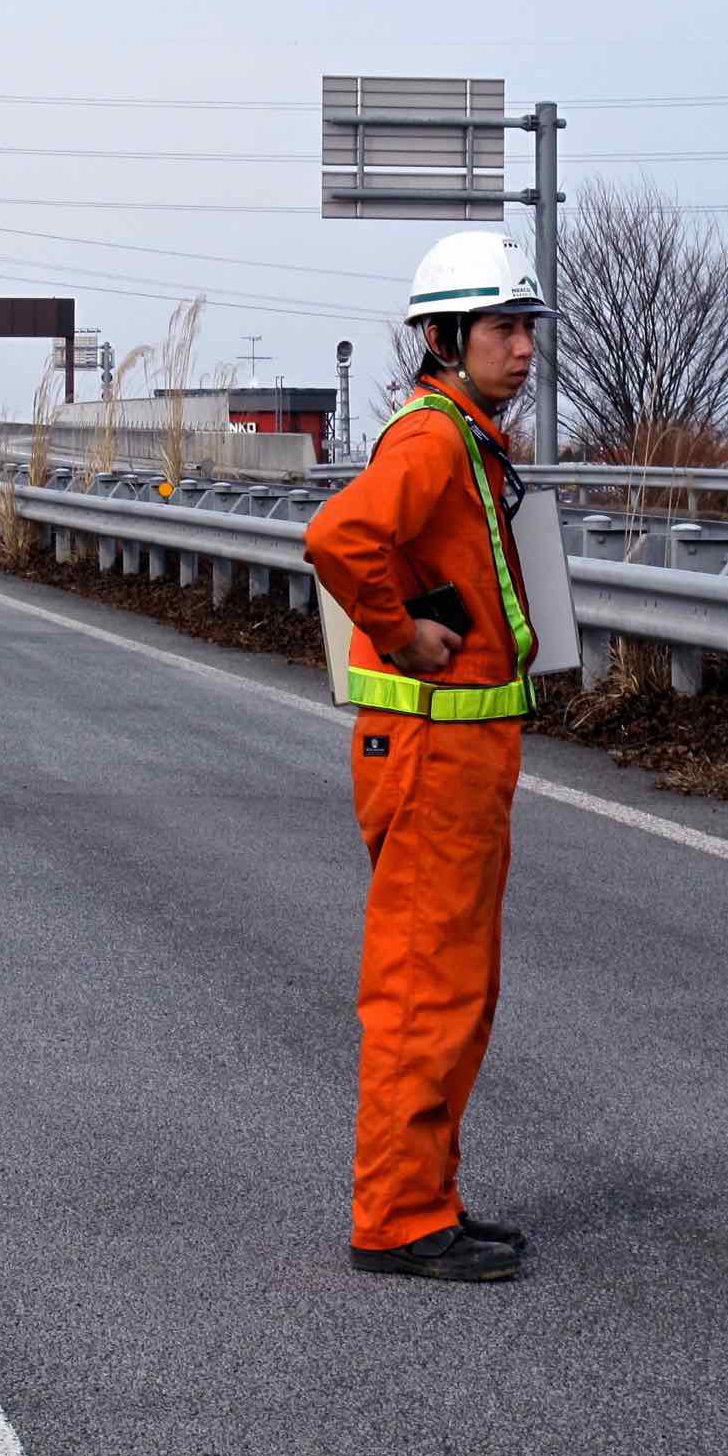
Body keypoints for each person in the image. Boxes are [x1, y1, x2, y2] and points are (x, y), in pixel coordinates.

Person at [302, 231, 552, 1283]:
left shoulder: (466, 436)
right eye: (503, 328)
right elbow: (336, 537)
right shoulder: (433, 440)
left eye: (528, 328)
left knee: (456, 986)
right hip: (432, 752)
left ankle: (427, 1197)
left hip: (465, 752)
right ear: (444, 338)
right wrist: (402, 633)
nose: (525, 349)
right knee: (423, 987)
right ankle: (398, 1218)